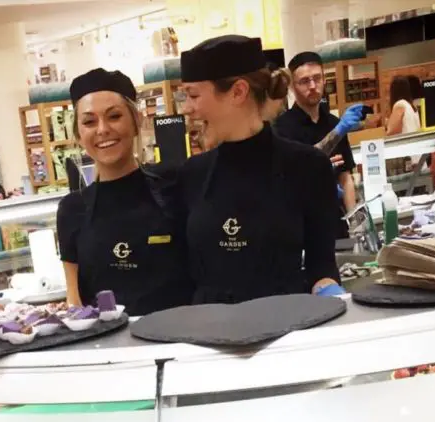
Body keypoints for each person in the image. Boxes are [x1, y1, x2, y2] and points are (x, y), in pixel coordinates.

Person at [179, 35, 341, 303]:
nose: (186, 109)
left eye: (193, 95)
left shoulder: (308, 167)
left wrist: (329, 291)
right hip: (210, 336)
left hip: (284, 332)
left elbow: (321, 267)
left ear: (238, 92)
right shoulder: (191, 175)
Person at [56, 68, 192, 314]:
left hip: (178, 341)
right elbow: (74, 302)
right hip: (109, 348)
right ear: (78, 134)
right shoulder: (72, 209)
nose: (102, 129)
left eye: (114, 116)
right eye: (89, 122)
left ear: (137, 121)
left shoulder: (175, 184)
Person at [274, 51, 357, 227]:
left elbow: (346, 177)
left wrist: (354, 221)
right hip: (301, 224)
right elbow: (286, 180)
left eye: (317, 78)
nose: (312, 86)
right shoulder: (282, 128)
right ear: (292, 87)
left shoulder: (335, 123)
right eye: (304, 81)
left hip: (336, 222)